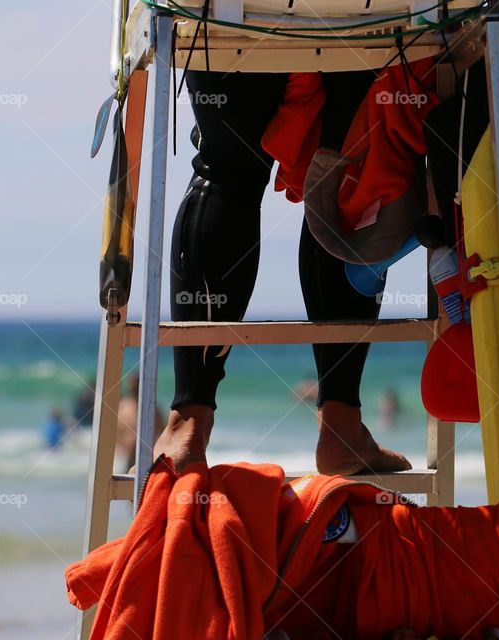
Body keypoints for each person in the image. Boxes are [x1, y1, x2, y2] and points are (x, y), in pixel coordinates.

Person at [152, 70, 411, 476]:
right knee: (344, 169)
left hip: (239, 14)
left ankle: (188, 424)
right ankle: (341, 430)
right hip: (361, 12)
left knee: (226, 167)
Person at [118, 374, 165, 473]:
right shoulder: (123, 407)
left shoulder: (154, 409)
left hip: (146, 459)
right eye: (133, 387)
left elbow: (162, 435)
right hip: (126, 458)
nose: (134, 389)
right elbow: (115, 431)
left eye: (136, 387)